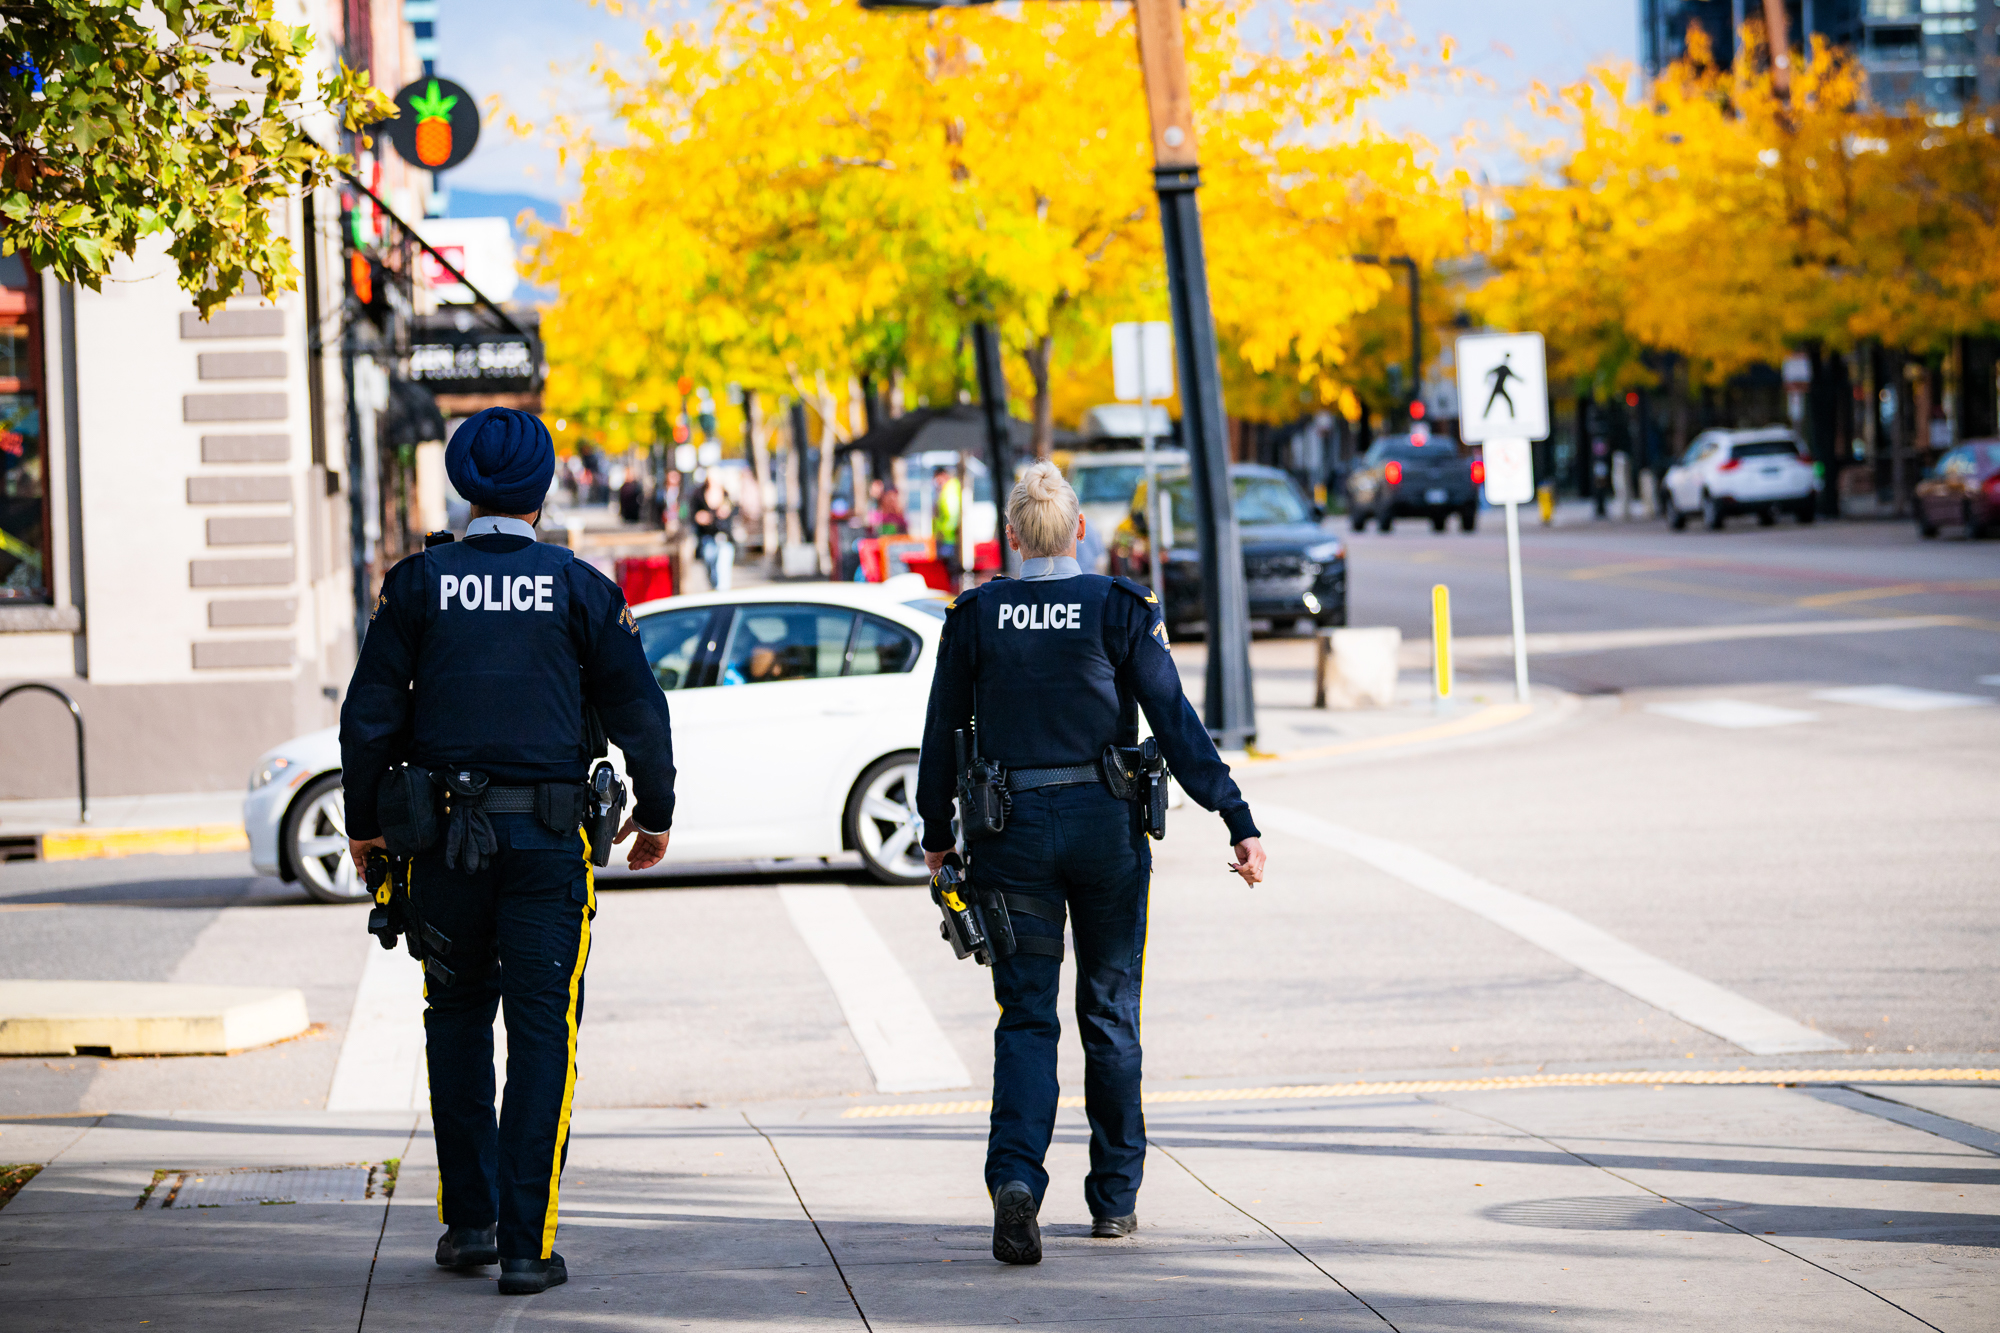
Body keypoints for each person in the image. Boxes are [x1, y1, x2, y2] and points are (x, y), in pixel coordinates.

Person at [338, 407, 677, 1298]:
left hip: (440, 845)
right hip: (547, 844)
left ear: (462, 482)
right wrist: (657, 810)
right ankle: (529, 1246)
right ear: (544, 485)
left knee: (454, 1020)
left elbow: (368, 715)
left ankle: (471, 1224)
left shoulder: (415, 586)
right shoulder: (579, 587)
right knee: (540, 1035)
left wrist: (366, 826)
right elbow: (642, 710)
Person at [914, 460, 1266, 1267]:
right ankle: (1113, 1200)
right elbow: (1176, 723)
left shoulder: (975, 616)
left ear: (1011, 537)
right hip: (1106, 832)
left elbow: (940, 734)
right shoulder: (1118, 607)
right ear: (1078, 531)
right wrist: (1235, 818)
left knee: (1028, 1014)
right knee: (1109, 1012)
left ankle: (1015, 1183)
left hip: (1013, 839)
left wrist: (938, 835)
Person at [692, 472, 735, 590]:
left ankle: (722, 592)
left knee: (723, 566)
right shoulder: (699, 495)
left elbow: (732, 513)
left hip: (724, 536)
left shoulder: (726, 495)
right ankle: (714, 588)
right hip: (707, 536)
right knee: (710, 563)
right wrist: (700, 517)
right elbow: (693, 514)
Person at [931, 464, 961, 577]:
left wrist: (943, 531)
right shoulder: (948, 488)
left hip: (948, 538)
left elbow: (951, 513)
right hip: (947, 537)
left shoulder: (949, 489)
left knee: (948, 570)